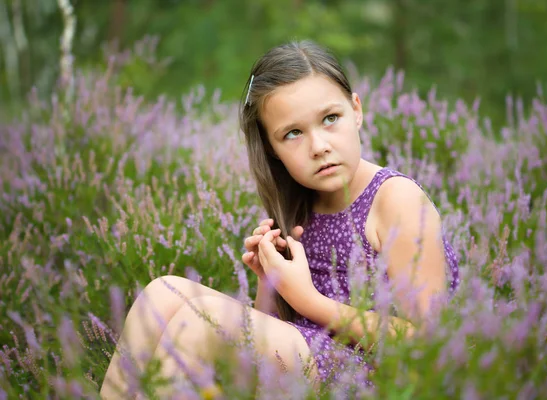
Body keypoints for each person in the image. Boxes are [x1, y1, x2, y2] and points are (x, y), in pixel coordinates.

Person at [99, 40, 460, 399]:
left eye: (330, 119)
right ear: (273, 148)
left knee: (199, 324)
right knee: (163, 292)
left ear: (357, 110)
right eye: (293, 133)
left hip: (373, 378)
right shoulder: (299, 204)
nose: (319, 145)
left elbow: (429, 342)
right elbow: (280, 333)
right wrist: (270, 284)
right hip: (311, 361)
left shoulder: (396, 198)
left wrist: (304, 297)